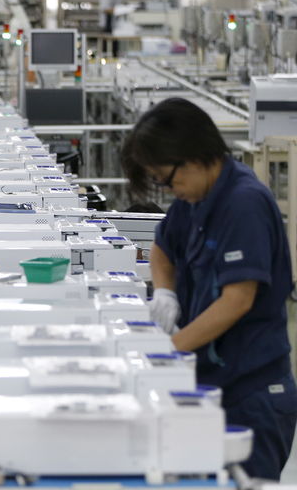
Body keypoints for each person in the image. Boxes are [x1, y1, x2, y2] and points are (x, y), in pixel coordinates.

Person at [121, 97, 297, 481]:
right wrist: (165, 293)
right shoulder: (195, 197)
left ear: (194, 156)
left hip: (250, 396)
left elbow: (238, 300)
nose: (170, 189)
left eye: (170, 179)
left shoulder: (243, 204)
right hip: (207, 385)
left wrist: (168, 352)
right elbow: (162, 249)